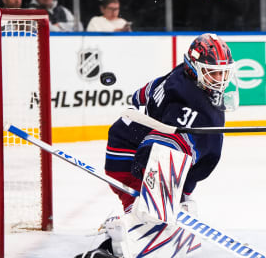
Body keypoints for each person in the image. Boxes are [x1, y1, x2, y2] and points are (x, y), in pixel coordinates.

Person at [76, 33, 238, 258]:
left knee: (163, 209)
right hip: (127, 154)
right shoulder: (190, 102)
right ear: (194, 68)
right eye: (213, 73)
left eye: (223, 72)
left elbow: (144, 93)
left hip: (132, 142)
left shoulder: (181, 75)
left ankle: (127, 231)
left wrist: (179, 195)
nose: (220, 79)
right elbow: (164, 148)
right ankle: (118, 237)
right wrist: (164, 195)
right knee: (151, 215)